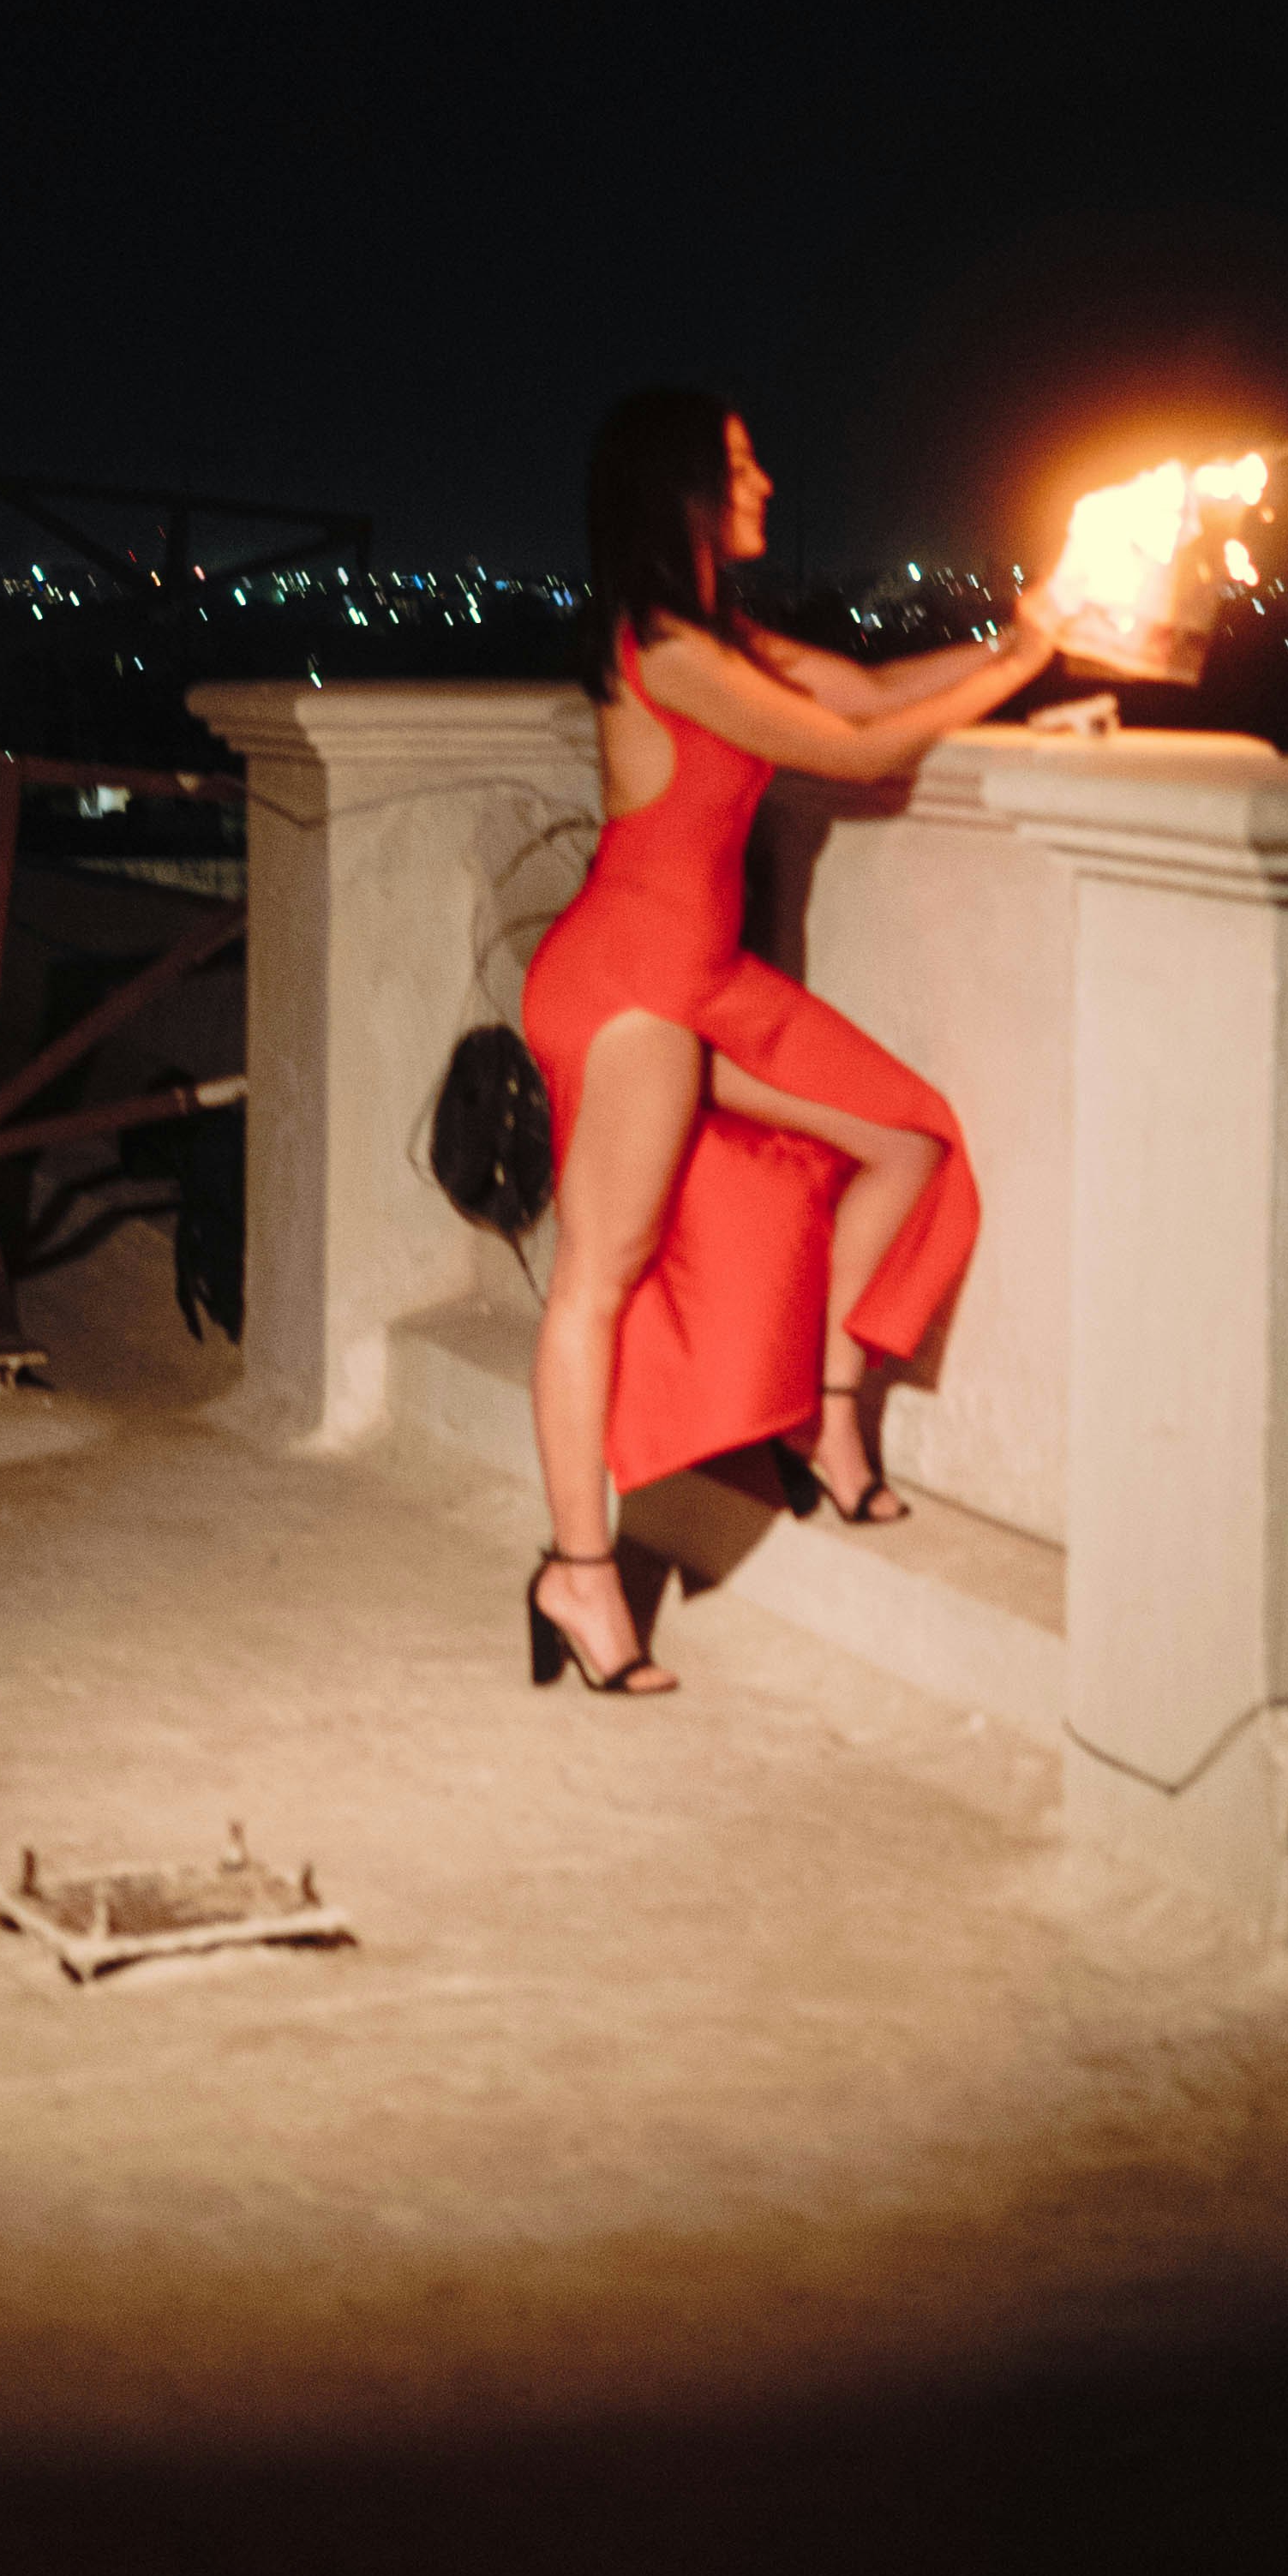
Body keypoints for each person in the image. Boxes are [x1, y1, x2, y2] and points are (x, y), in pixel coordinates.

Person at [517, 388, 1062, 1694]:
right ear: (686, 492)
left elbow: (873, 683)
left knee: (903, 1136)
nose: (765, 483)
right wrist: (1030, 666)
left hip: (704, 982)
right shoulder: (673, 652)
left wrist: (1025, 630)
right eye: (744, 465)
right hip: (630, 991)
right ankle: (578, 1575)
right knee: (600, 1276)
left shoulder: (729, 638)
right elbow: (861, 748)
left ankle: (824, 1420)